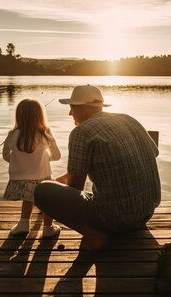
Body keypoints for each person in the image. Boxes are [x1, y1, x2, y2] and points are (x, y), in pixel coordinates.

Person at [34, 84, 160, 249]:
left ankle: (96, 236)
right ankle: (129, 224)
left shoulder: (82, 132)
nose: (70, 113)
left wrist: (53, 193)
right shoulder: (128, 119)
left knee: (41, 191)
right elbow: (154, 153)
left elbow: (75, 187)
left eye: (72, 107)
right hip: (146, 212)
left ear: (85, 108)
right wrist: (58, 181)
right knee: (55, 187)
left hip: (117, 219)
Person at [2, 98, 62, 237]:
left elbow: (5, 155)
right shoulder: (45, 133)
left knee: (27, 200)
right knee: (47, 202)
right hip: (42, 178)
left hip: (20, 180)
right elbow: (57, 156)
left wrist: (17, 161)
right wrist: (45, 159)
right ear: (40, 115)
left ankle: (23, 224)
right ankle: (48, 228)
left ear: (18, 115)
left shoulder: (12, 134)